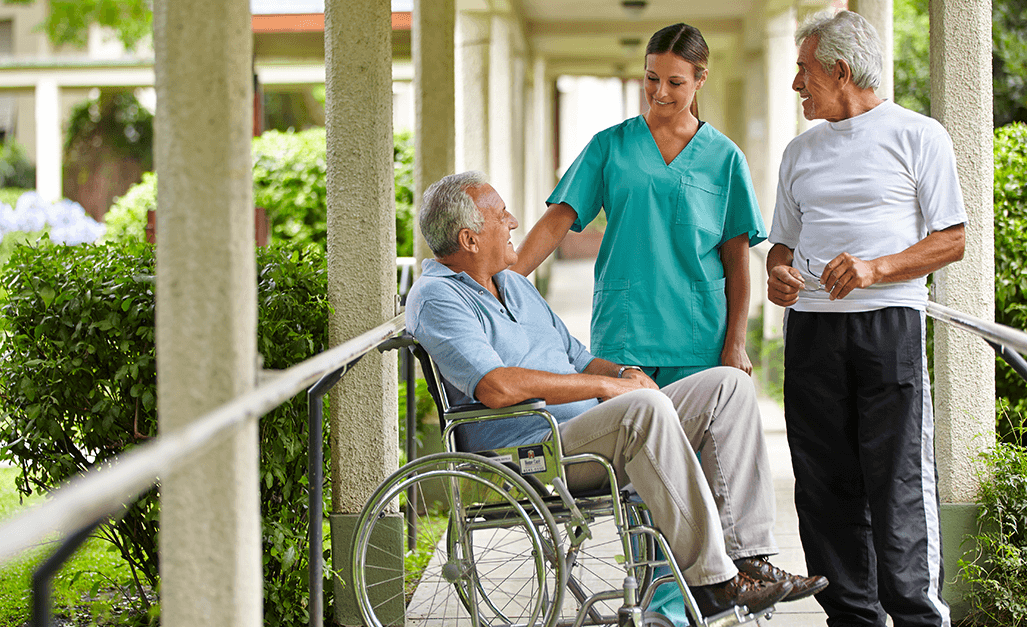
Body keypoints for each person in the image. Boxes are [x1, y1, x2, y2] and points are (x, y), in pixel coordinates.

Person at [408, 171, 828, 619]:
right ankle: (713, 583)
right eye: (500, 215)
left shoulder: (512, 284)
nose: (513, 222)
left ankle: (748, 560)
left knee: (729, 386)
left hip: (585, 433)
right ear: (470, 239)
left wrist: (623, 373)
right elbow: (496, 386)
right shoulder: (438, 298)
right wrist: (607, 388)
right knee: (640, 409)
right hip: (529, 453)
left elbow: (578, 357)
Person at [765, 10, 967, 627]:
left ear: (841, 70)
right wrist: (777, 274)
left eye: (805, 70)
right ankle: (851, 617)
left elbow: (953, 239)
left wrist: (876, 269)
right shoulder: (799, 152)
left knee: (897, 480)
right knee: (824, 484)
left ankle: (916, 617)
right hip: (812, 334)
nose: (796, 84)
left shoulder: (919, 135)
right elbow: (781, 245)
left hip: (889, 328)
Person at [512, 23, 764, 388]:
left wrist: (736, 343)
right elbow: (557, 221)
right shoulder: (609, 146)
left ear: (700, 79)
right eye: (651, 78)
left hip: (698, 337)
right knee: (625, 439)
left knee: (689, 444)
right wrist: (502, 282)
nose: (659, 92)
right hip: (624, 332)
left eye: (675, 83)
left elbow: (737, 260)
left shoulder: (725, 158)